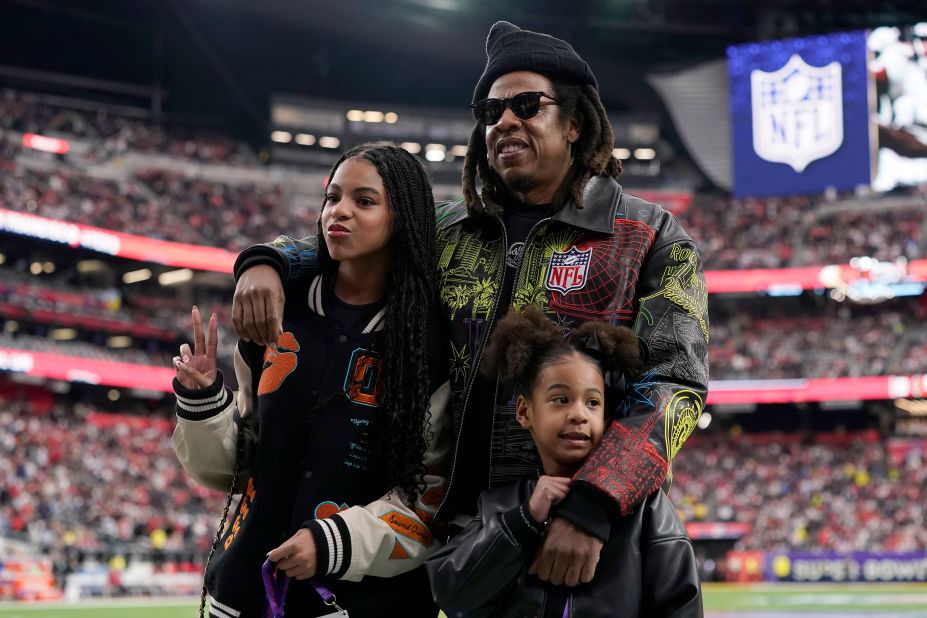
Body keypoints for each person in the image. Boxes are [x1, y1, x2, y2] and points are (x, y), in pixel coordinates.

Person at [231, 21, 709, 587]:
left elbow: (676, 385)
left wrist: (594, 503)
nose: (505, 120)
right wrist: (269, 260)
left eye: (527, 105)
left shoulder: (649, 236)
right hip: (465, 547)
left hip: (587, 540)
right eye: (490, 111)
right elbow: (353, 237)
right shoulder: (449, 231)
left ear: (576, 122)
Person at [171, 143, 452, 618]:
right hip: (242, 593)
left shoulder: (433, 343)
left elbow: (430, 502)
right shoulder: (281, 311)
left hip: (361, 604)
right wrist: (203, 404)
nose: (338, 211)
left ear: (403, 217)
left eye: (364, 201)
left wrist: (331, 543)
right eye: (332, 197)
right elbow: (238, 467)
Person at [426, 306, 702, 618]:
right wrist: (524, 521)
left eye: (593, 402)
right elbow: (453, 595)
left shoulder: (647, 511)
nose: (578, 414)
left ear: (607, 416)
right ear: (524, 412)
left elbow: (681, 605)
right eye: (561, 399)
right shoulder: (499, 506)